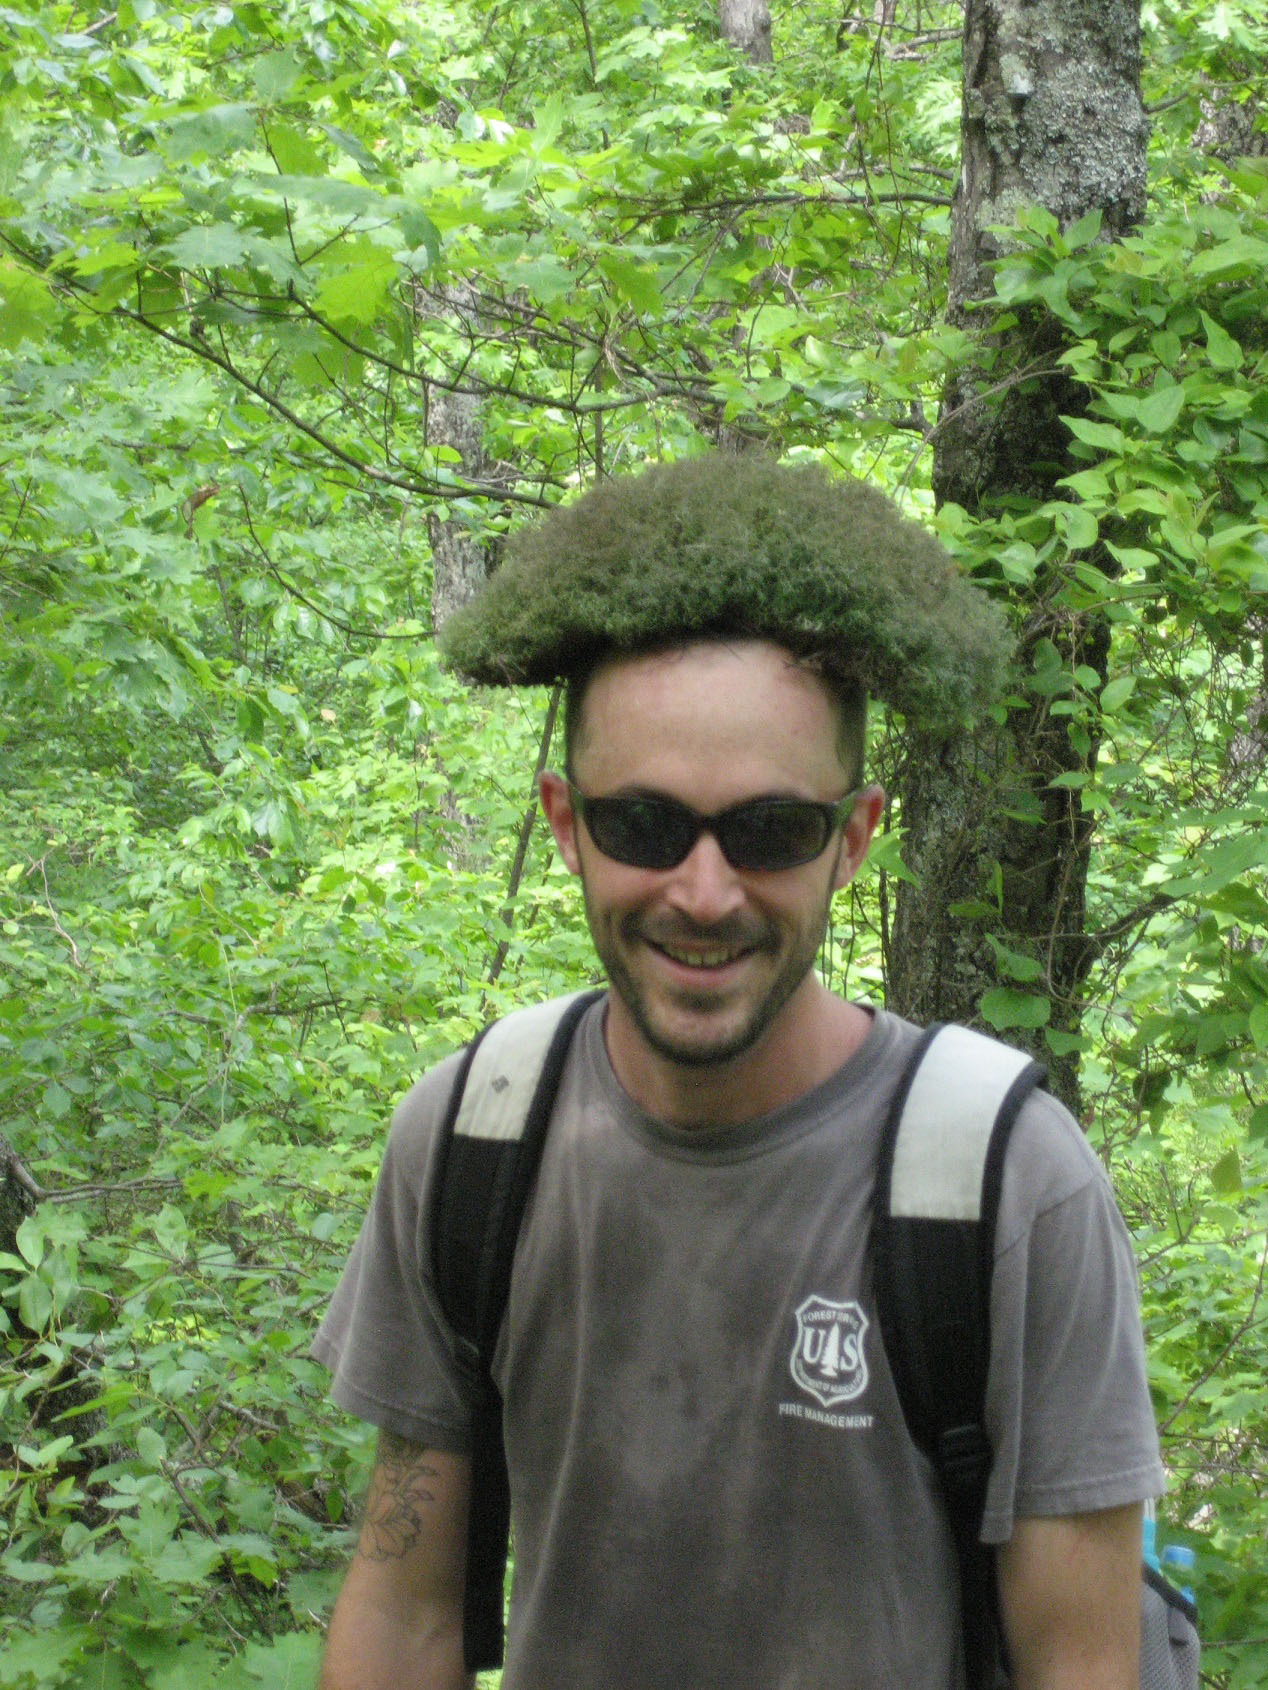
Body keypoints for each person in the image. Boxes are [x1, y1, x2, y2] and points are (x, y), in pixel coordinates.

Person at [312, 456, 1164, 1689]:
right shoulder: (473, 1138)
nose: (701, 894)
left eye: (767, 831)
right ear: (565, 822)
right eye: (642, 826)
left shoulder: (1007, 1188)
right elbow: (402, 1610)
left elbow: (1080, 1666)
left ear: (852, 838)